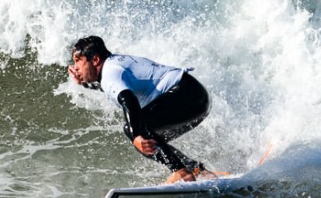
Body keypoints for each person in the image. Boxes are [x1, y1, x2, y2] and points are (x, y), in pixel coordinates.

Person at [66, 35, 212, 183]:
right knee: (146, 143)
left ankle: (182, 173)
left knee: (136, 132)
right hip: (196, 96)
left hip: (185, 95)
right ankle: (197, 171)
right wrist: (84, 84)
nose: (76, 67)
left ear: (95, 59)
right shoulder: (113, 66)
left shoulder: (110, 73)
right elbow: (111, 87)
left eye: (78, 61)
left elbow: (128, 100)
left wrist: (136, 135)